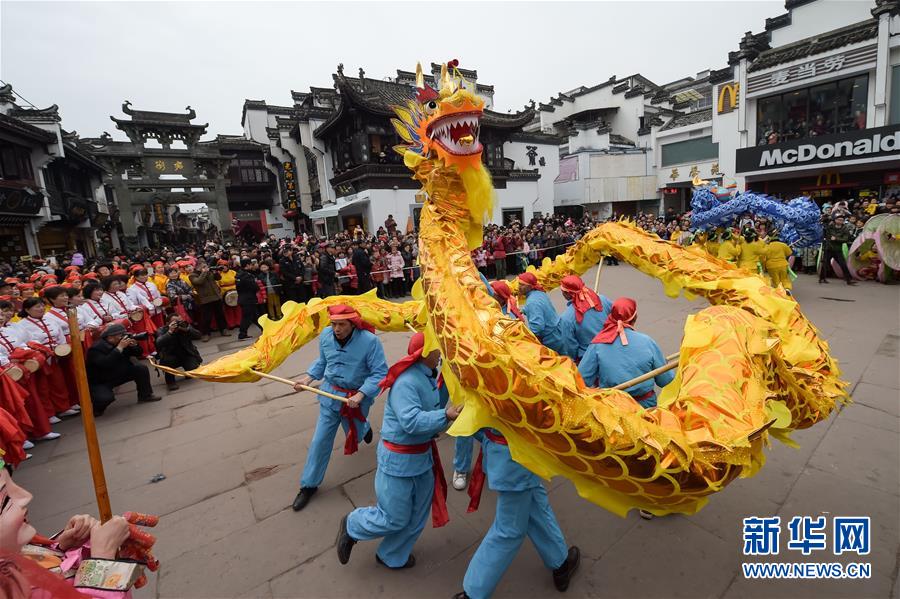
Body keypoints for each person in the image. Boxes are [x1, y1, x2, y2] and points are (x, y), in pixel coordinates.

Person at [336, 332, 462, 568]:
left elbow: (438, 401)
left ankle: (392, 555)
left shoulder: (429, 374)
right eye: (438, 349)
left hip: (422, 457)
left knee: (418, 513)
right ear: (425, 354)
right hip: (398, 461)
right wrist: (444, 415)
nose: (441, 353)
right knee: (393, 518)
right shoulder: (406, 382)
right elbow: (411, 422)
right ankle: (353, 524)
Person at [454, 425, 580, 599]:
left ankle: (560, 563)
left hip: (512, 453)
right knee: (509, 530)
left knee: (536, 502)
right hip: (516, 458)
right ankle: (473, 593)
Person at [290, 305, 388, 511]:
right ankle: (309, 485)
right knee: (319, 441)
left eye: (341, 324)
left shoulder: (370, 342)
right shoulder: (325, 336)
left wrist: (361, 394)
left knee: (357, 434)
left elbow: (380, 373)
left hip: (355, 400)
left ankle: (365, 426)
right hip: (330, 398)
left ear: (352, 323)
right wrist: (308, 379)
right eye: (333, 324)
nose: (336, 329)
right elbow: (323, 361)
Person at [578, 297, 674, 409]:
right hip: (645, 409)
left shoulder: (597, 344)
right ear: (635, 318)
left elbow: (581, 380)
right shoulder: (647, 342)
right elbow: (665, 380)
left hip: (612, 407)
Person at [85, 323, 161, 416]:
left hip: (119, 373)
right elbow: (105, 363)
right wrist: (119, 348)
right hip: (101, 380)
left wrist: (134, 346)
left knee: (140, 369)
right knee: (105, 398)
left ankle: (145, 395)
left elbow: (138, 354)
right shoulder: (96, 349)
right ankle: (97, 409)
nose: (123, 337)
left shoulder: (121, 343)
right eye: (121, 335)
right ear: (110, 337)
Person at [557, 275, 612, 361]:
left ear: (567, 293)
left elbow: (570, 346)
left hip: (589, 358)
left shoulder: (567, 318)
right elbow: (616, 317)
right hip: (612, 347)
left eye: (562, 291)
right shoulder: (602, 299)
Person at [517, 272, 565, 354]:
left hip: (551, 339)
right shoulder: (539, 293)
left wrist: (525, 338)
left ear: (530, 286)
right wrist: (524, 310)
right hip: (559, 331)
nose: (519, 287)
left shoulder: (532, 302)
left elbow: (537, 328)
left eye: (522, 285)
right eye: (519, 284)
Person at [154, 313, 202, 391]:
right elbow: (158, 343)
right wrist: (170, 332)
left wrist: (187, 330)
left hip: (186, 353)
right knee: (168, 361)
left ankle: (188, 372)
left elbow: (199, 335)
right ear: (167, 323)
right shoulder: (162, 330)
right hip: (170, 356)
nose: (177, 324)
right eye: (175, 322)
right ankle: (170, 382)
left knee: (193, 367)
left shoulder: (184, 326)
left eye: (179, 321)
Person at [189, 260, 231, 341]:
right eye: (203, 267)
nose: (206, 268)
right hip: (205, 299)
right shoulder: (192, 275)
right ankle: (205, 333)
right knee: (206, 317)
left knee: (220, 315)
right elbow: (199, 282)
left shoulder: (209, 271)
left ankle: (223, 329)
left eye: (206, 266)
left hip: (216, 296)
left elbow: (218, 278)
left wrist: (216, 272)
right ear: (198, 267)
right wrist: (204, 272)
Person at [820, 214, 857, 285]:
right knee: (825, 264)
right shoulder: (830, 227)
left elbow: (846, 239)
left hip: (838, 249)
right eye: (839, 220)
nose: (840, 221)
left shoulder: (845, 228)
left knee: (843, 264)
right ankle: (822, 278)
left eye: (842, 220)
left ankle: (848, 279)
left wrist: (836, 239)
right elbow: (826, 234)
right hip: (829, 248)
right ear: (835, 220)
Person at [235, 259, 261, 340]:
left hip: (243, 298)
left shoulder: (239, 274)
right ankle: (242, 334)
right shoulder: (246, 276)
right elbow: (255, 287)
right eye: (250, 264)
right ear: (247, 265)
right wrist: (256, 286)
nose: (251, 266)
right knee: (247, 317)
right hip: (248, 299)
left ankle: (264, 328)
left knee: (254, 316)